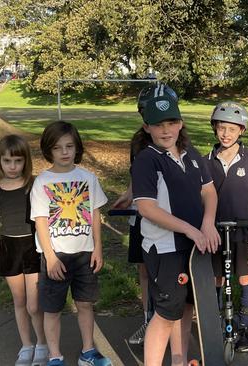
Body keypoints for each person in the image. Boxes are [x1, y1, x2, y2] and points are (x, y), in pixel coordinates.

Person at [131, 94, 219, 366]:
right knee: (167, 312)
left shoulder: (191, 154)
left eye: (171, 122)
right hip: (166, 248)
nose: (165, 130)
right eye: (158, 124)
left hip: (195, 247)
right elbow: (147, 208)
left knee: (186, 307)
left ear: (180, 123)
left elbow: (209, 191)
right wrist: (190, 230)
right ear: (147, 127)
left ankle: (179, 361)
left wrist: (207, 223)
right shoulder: (147, 159)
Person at [30, 121, 111, 366]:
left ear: (77, 148)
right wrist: (51, 256)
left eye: (69, 146)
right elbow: (41, 222)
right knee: (52, 309)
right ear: (48, 150)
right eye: (57, 148)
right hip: (57, 256)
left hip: (85, 254)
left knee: (85, 304)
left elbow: (95, 214)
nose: (64, 152)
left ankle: (88, 351)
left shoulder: (88, 178)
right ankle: (55, 356)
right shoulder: (42, 182)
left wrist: (98, 247)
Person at [112, 83, 179, 346]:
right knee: (144, 269)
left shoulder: (176, 142)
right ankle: (147, 317)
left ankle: (167, 318)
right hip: (141, 214)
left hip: (167, 215)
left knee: (167, 271)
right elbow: (136, 178)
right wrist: (128, 195)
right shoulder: (138, 141)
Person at [203, 101, 248, 352]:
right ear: (215, 129)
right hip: (215, 230)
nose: (226, 134)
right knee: (217, 278)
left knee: (244, 277)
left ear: (241, 130)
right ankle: (218, 322)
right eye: (221, 128)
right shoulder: (206, 160)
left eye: (232, 129)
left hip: (245, 229)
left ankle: (244, 326)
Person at [0, 135, 48, 365]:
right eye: (7, 161)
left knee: (33, 304)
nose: (12, 166)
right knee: (19, 301)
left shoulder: (33, 185)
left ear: (25, 161)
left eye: (17, 161)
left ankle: (42, 344)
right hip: (9, 248)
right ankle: (26, 345)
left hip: (32, 247)